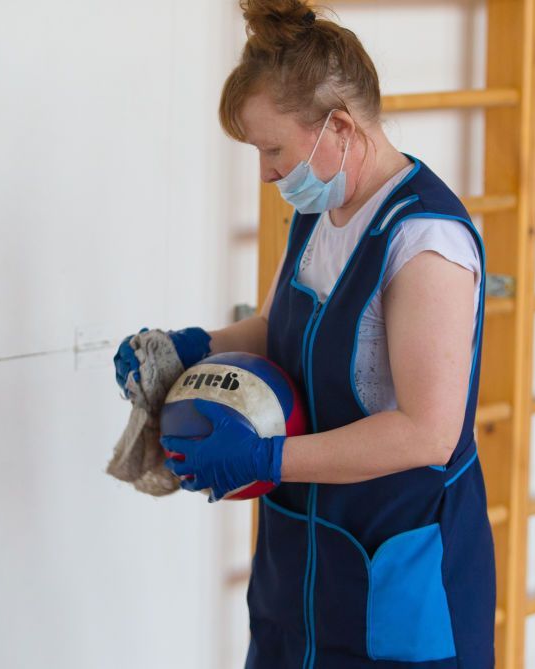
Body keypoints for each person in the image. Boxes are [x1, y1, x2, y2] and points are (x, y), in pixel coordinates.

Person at [114, 0, 496, 666]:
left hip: (397, 582)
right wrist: (190, 346)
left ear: (339, 128)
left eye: (273, 149)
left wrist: (267, 460)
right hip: (297, 575)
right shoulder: (321, 213)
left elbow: (427, 432)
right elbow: (279, 328)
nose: (265, 171)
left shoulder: (426, 242)